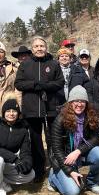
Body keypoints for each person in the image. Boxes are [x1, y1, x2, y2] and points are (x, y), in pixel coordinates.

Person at [15, 36, 64, 182]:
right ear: (32, 48)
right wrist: (35, 85)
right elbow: (19, 84)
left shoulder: (54, 64)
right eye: (36, 46)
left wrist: (45, 86)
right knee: (36, 141)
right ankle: (39, 169)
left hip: (51, 108)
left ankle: (56, 167)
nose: (39, 49)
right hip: (31, 109)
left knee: (53, 139)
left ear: (46, 47)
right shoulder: (25, 65)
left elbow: (60, 82)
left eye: (42, 46)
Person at [48, 85, 99, 195]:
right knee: (73, 192)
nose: (79, 104)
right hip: (63, 158)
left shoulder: (90, 116)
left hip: (79, 154)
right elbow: (56, 149)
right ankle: (53, 177)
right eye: (76, 101)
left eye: (82, 101)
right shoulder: (60, 119)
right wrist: (70, 171)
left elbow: (95, 138)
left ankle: (92, 182)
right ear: (70, 102)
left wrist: (78, 151)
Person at [0, 97, 35, 195]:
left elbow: (25, 151)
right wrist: (15, 159)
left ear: (18, 113)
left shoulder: (23, 130)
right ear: (3, 113)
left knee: (31, 174)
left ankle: (2, 180)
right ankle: (0, 187)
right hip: (4, 160)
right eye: (8, 111)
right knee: (0, 160)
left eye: (14, 111)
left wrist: (26, 162)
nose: (11, 114)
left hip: (8, 164)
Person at [0, 42, 21, 114]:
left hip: (8, 106)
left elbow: (18, 90)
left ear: (5, 53)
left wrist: (19, 106)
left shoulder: (14, 69)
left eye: (1, 51)